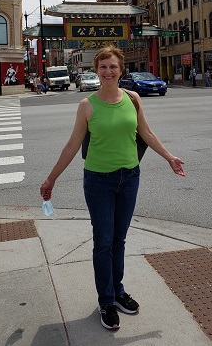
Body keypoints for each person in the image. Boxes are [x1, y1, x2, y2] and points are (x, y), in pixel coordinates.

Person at [40, 45, 185, 330]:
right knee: (103, 241)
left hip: (130, 177)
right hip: (98, 180)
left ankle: (117, 291)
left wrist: (169, 157)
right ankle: (106, 300)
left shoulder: (133, 99)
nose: (108, 71)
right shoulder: (87, 105)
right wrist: (51, 178)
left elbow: (146, 132)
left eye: (113, 67)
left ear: (121, 70)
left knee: (119, 240)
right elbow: (72, 146)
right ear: (97, 70)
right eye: (103, 67)